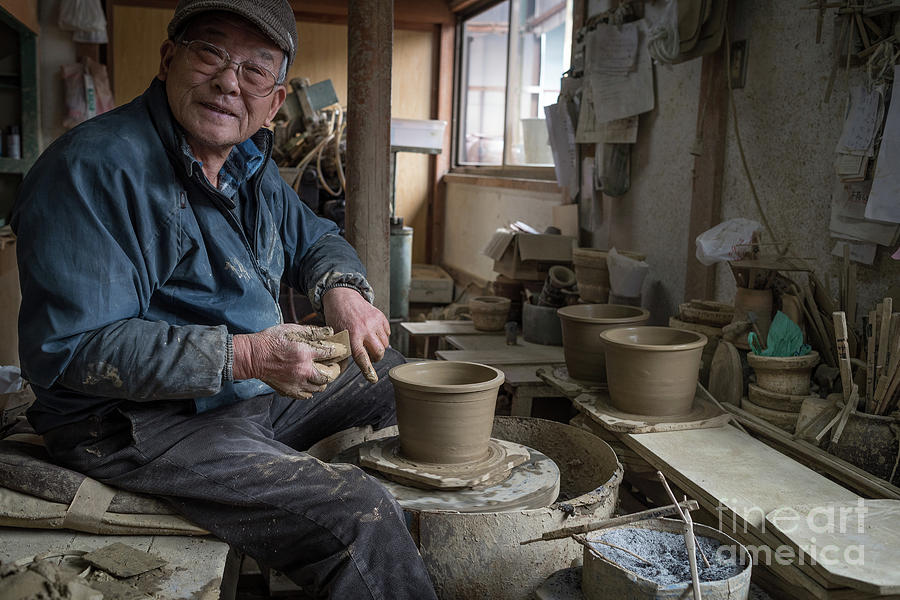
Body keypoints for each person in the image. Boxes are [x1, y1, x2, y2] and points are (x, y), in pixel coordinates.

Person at [11, 0, 438, 597]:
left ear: (276, 95)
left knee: (398, 381)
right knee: (358, 516)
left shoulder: (248, 162)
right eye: (210, 52)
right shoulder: (91, 169)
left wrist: (342, 288)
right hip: (135, 420)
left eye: (255, 70)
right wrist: (249, 357)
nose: (228, 82)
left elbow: (315, 237)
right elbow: (71, 348)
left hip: (244, 393)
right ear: (168, 60)